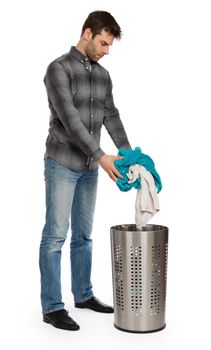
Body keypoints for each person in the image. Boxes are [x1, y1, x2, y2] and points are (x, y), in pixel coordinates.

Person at [39, 10, 131, 331]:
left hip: (91, 167)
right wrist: (102, 155)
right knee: (55, 236)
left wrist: (127, 152)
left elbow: (111, 115)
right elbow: (70, 121)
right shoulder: (58, 70)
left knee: (84, 236)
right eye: (104, 43)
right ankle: (52, 307)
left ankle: (84, 294)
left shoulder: (103, 76)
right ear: (87, 34)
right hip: (63, 163)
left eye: (110, 46)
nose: (107, 51)